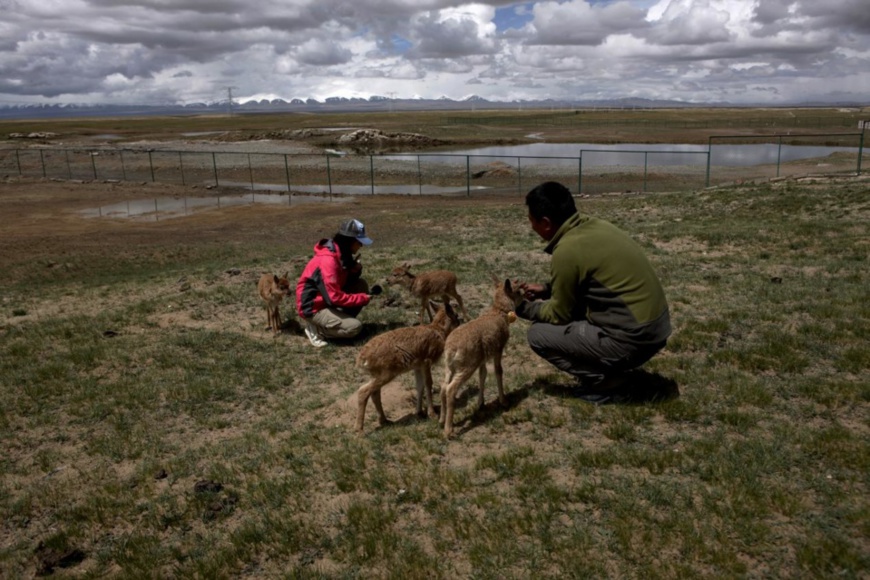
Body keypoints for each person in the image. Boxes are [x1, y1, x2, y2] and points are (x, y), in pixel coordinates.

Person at [514, 181, 671, 394]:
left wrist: (521, 307)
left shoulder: (566, 249)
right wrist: (547, 288)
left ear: (546, 223)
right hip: (657, 329)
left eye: (532, 222)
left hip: (636, 340)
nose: (532, 227)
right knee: (576, 311)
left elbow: (559, 314)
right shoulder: (594, 226)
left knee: (538, 335)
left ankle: (608, 382)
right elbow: (591, 278)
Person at [296, 218, 375, 347]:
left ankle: (338, 322)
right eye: (359, 242)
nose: (361, 246)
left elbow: (341, 283)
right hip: (313, 308)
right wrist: (361, 299)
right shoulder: (329, 261)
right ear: (350, 241)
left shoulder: (341, 254)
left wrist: (354, 271)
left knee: (361, 285)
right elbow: (334, 297)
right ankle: (318, 330)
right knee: (355, 328)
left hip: (325, 300)